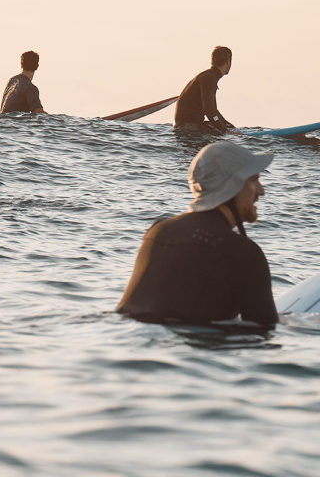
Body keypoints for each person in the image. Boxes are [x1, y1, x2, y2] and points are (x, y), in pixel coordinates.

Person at [116, 141, 275, 327]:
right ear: (234, 186)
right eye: (254, 180)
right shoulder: (243, 252)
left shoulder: (159, 230)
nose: (261, 192)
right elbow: (264, 330)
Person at [174, 46, 235, 134]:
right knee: (220, 133)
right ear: (228, 62)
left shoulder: (208, 76)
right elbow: (209, 110)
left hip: (186, 125)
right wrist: (225, 131)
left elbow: (214, 111)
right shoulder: (209, 78)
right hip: (187, 127)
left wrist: (228, 125)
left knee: (220, 128)